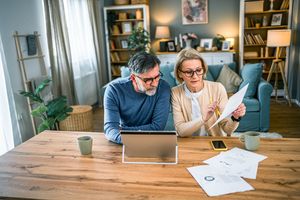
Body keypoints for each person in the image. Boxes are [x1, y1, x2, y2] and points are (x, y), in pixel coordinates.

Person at [171, 48, 246, 137]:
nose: (195, 76)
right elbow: (181, 131)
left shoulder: (218, 88)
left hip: (214, 142)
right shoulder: (175, 93)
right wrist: (203, 118)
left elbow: (227, 130)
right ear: (179, 73)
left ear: (203, 69)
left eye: (198, 70)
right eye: (188, 72)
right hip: (188, 144)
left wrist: (235, 117)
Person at [104, 51, 171, 144]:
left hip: (152, 141)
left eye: (157, 76)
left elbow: (157, 127)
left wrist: (123, 130)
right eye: (148, 80)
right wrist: (130, 139)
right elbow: (110, 130)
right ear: (133, 78)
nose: (155, 84)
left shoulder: (163, 88)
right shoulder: (114, 90)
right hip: (123, 143)